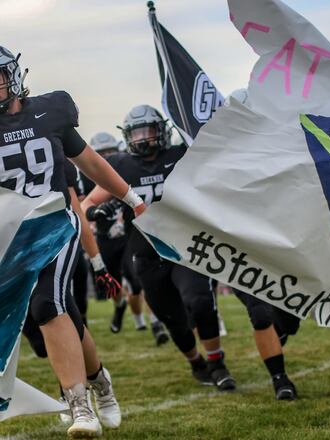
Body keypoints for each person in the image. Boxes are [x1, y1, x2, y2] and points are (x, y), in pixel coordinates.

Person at [0, 43, 141, 437]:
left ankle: (79, 406)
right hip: (11, 241)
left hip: (55, 224)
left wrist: (133, 199)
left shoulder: (49, 112)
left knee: (46, 305)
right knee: (65, 311)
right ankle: (99, 380)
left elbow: (92, 163)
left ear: (13, 75)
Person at [82, 105, 236, 392]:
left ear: (162, 130)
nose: (142, 138)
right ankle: (196, 363)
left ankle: (217, 362)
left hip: (184, 248)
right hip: (146, 254)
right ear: (127, 136)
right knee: (172, 319)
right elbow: (87, 203)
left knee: (200, 302)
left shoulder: (180, 156)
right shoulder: (122, 165)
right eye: (136, 133)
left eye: (148, 131)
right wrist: (96, 215)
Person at [83, 132, 168, 344]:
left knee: (138, 280)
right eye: (101, 154)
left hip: (127, 237)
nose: (107, 157)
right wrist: (96, 216)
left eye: (111, 152)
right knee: (112, 284)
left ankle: (154, 322)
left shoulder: (125, 169)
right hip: (103, 236)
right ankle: (120, 305)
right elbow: (83, 204)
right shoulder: (87, 175)